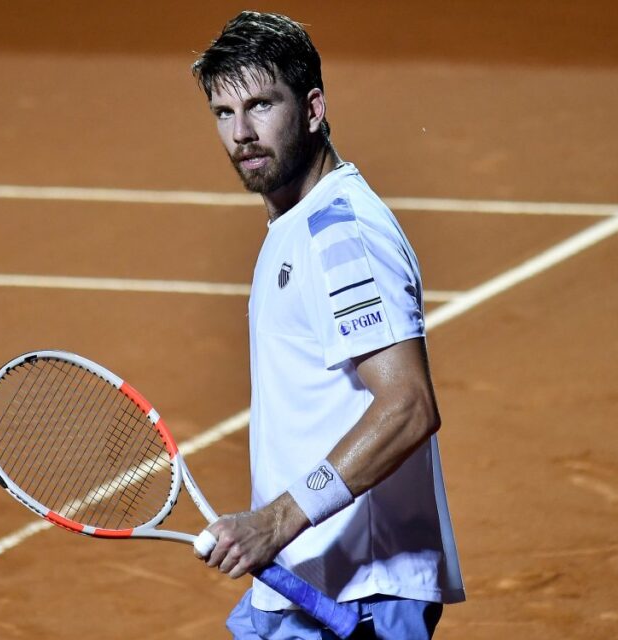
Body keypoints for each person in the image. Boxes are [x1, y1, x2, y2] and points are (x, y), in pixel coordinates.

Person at [191, 11, 465, 639]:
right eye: (224, 113)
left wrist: (278, 520)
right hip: (300, 584)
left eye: (261, 106)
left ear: (313, 109)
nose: (241, 133)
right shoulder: (297, 223)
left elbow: (408, 406)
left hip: (358, 593)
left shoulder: (339, 235)